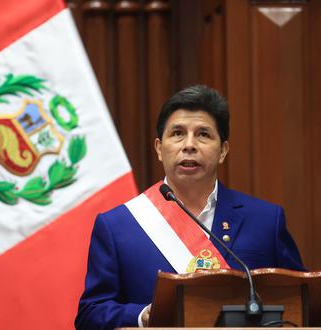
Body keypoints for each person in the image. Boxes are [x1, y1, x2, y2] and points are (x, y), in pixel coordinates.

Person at [75, 85, 305, 330]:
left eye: (203, 134)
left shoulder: (265, 220)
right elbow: (90, 314)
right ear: (159, 148)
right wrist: (144, 316)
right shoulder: (117, 226)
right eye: (177, 133)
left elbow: (302, 301)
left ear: (223, 151)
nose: (189, 145)